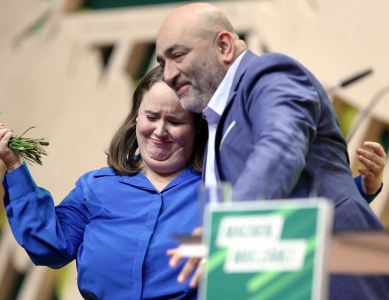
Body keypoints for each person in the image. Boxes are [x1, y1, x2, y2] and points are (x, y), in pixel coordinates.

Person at [155, 2, 389, 299]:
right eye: (163, 63)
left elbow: (280, 145)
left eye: (177, 55)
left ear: (224, 46)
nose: (168, 74)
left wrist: (227, 229)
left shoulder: (269, 74)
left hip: (335, 270)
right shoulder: (216, 119)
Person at [0, 66, 208, 299]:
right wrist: (13, 164)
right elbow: (48, 246)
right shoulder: (97, 186)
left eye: (175, 121)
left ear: (198, 127)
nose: (159, 131)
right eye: (151, 117)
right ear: (136, 117)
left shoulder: (219, 192)